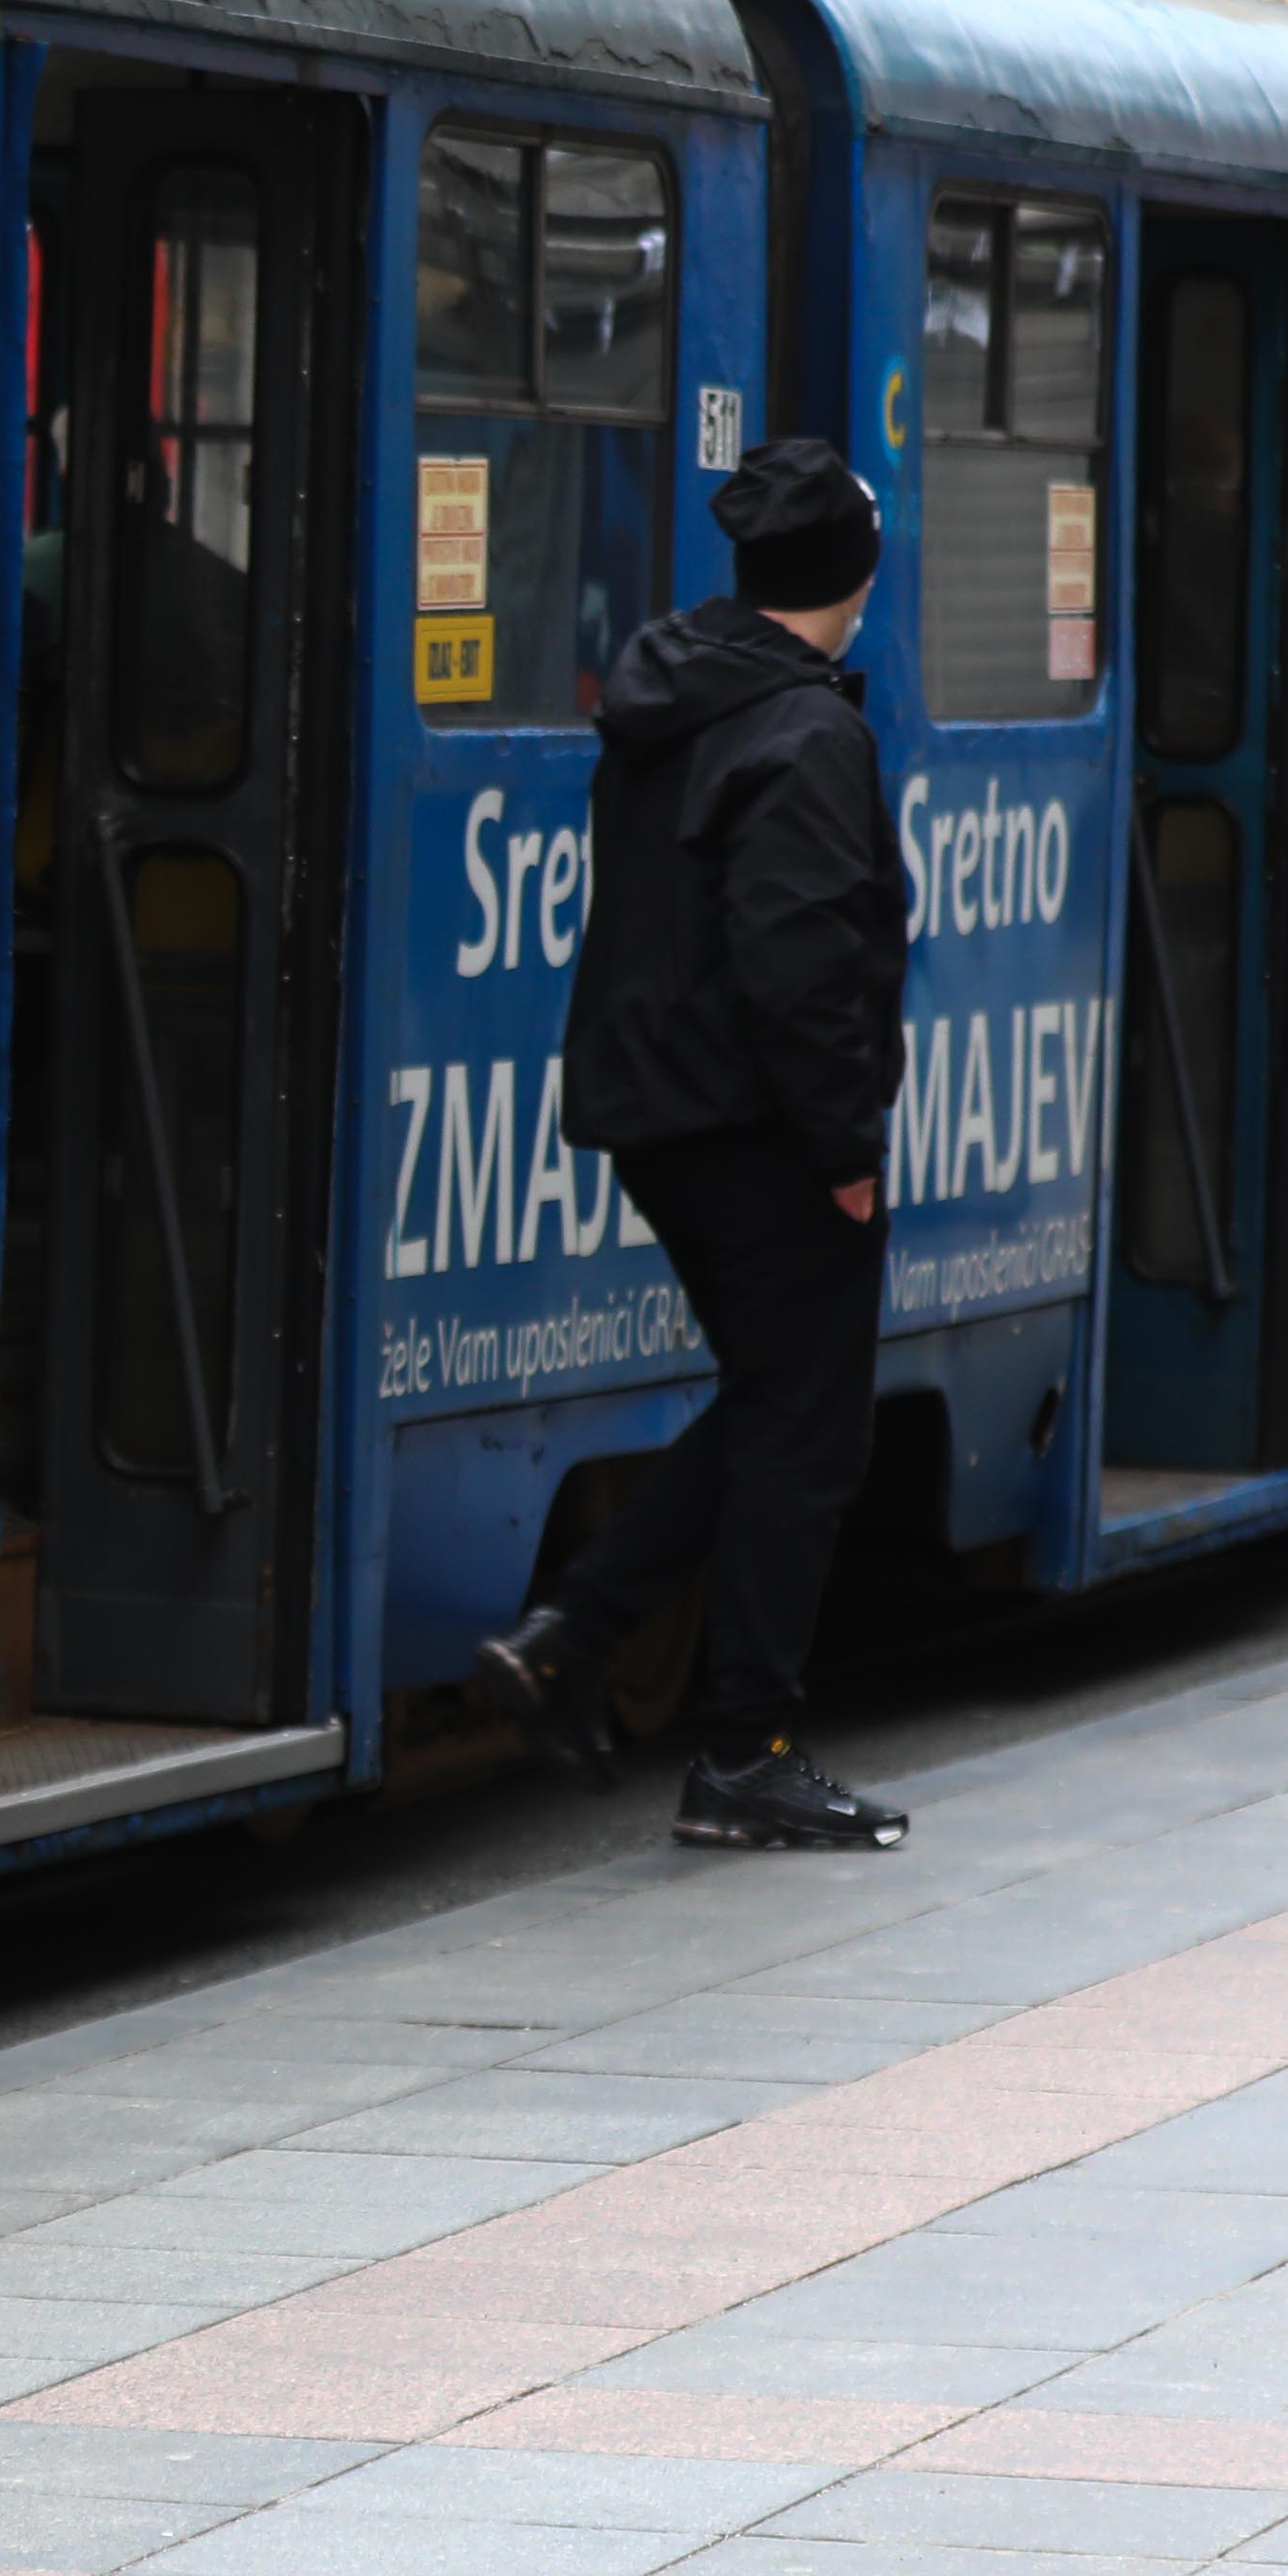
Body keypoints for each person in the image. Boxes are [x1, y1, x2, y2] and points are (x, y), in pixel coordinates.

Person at [463, 439, 916, 1854]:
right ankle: (741, 1751)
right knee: (810, 1427)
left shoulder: (681, 688)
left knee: (782, 1401)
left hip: (662, 1109)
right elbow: (795, 959)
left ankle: (571, 1639)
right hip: (758, 1124)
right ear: (853, 575)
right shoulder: (805, 734)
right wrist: (845, 1143)